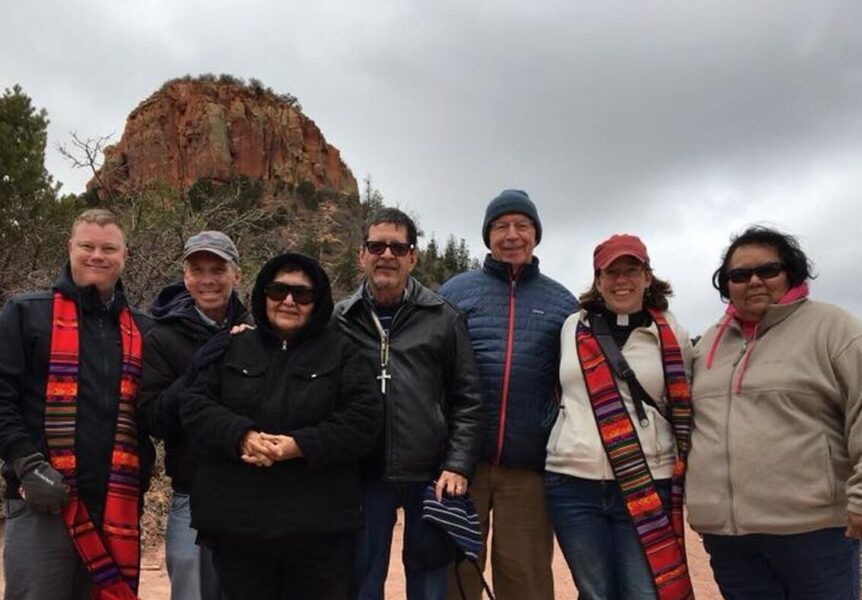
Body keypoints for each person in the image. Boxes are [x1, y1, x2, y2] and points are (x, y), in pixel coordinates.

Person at [178, 251, 381, 599]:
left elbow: (364, 420)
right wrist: (241, 435)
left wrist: (299, 445)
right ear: (263, 295)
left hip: (318, 529)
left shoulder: (343, 353)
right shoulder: (231, 346)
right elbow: (194, 405)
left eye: (302, 294)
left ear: (318, 301)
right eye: (278, 291)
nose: (288, 301)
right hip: (237, 526)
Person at [687, 225, 862, 599]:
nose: (754, 281)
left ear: (791, 272)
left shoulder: (834, 328)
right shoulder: (707, 344)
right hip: (728, 537)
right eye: (739, 275)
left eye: (767, 270)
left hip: (812, 530)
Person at [0, 208, 153, 599]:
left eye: (109, 248)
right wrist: (27, 464)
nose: (97, 256)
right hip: (44, 501)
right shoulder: (26, 313)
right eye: (87, 246)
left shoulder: (143, 328)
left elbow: (159, 406)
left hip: (115, 505)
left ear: (125, 255)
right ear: (70, 247)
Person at [334, 207, 484, 600]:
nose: (387, 255)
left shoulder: (443, 318)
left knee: (430, 582)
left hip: (430, 474)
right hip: (363, 473)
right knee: (361, 581)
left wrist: (458, 464)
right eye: (376, 246)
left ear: (413, 257)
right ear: (361, 255)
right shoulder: (339, 319)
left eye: (398, 248)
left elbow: (468, 398)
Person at [439, 189, 577, 600]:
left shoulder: (562, 303)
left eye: (522, 225)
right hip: (462, 464)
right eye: (501, 226)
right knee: (455, 574)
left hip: (529, 466)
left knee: (526, 578)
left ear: (536, 234)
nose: (512, 234)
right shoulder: (456, 292)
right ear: (488, 236)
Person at [544, 234, 694, 600]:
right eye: (611, 272)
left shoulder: (671, 333)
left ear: (647, 277)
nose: (621, 280)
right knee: (595, 592)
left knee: (643, 592)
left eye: (631, 270)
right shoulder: (573, 327)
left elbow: (687, 402)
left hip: (646, 480)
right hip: (573, 481)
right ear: (598, 281)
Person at [137, 231, 250, 600]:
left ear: (236, 275)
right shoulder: (162, 337)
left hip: (252, 493)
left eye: (217, 270)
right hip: (192, 493)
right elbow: (153, 419)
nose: (207, 280)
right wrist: (197, 369)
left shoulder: (258, 330)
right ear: (185, 277)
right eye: (197, 270)